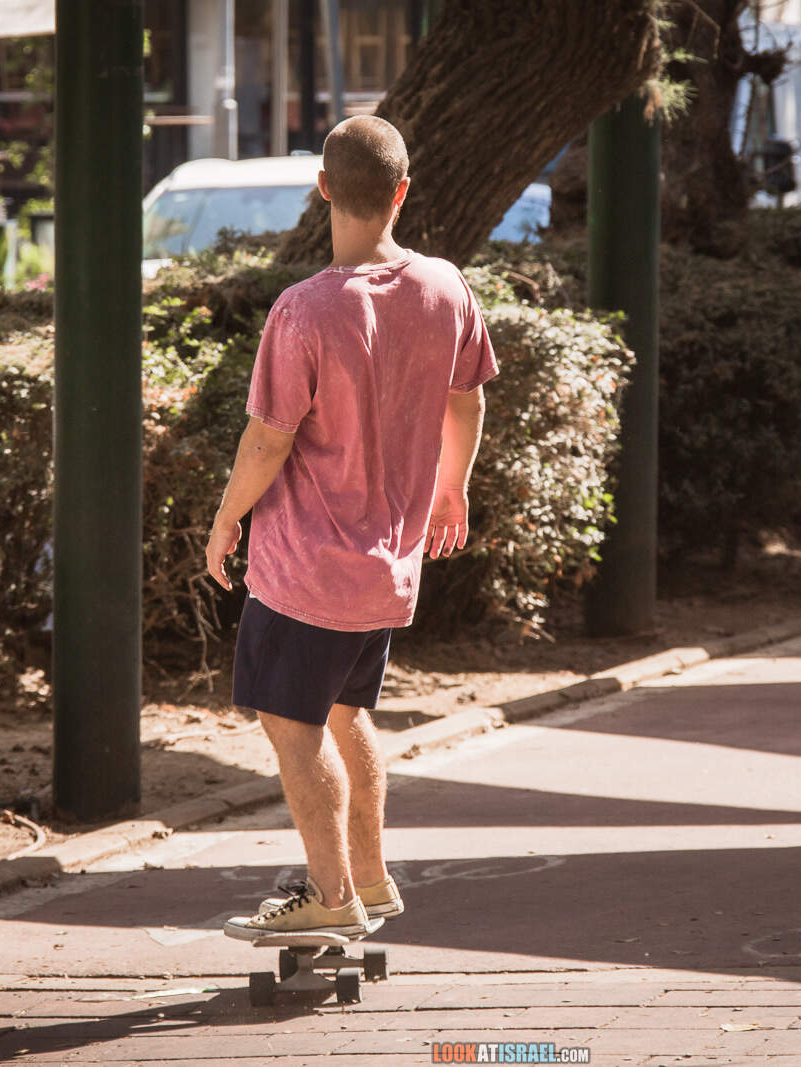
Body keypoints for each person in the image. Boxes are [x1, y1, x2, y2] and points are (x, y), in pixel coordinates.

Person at [203, 115, 496, 940]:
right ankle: (369, 876)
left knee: (293, 726)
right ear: (402, 192)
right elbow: (468, 398)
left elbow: (268, 438)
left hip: (304, 568)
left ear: (324, 188)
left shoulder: (304, 309)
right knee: (346, 712)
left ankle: (331, 897)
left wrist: (226, 519)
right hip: (387, 567)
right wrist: (451, 490)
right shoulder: (446, 287)